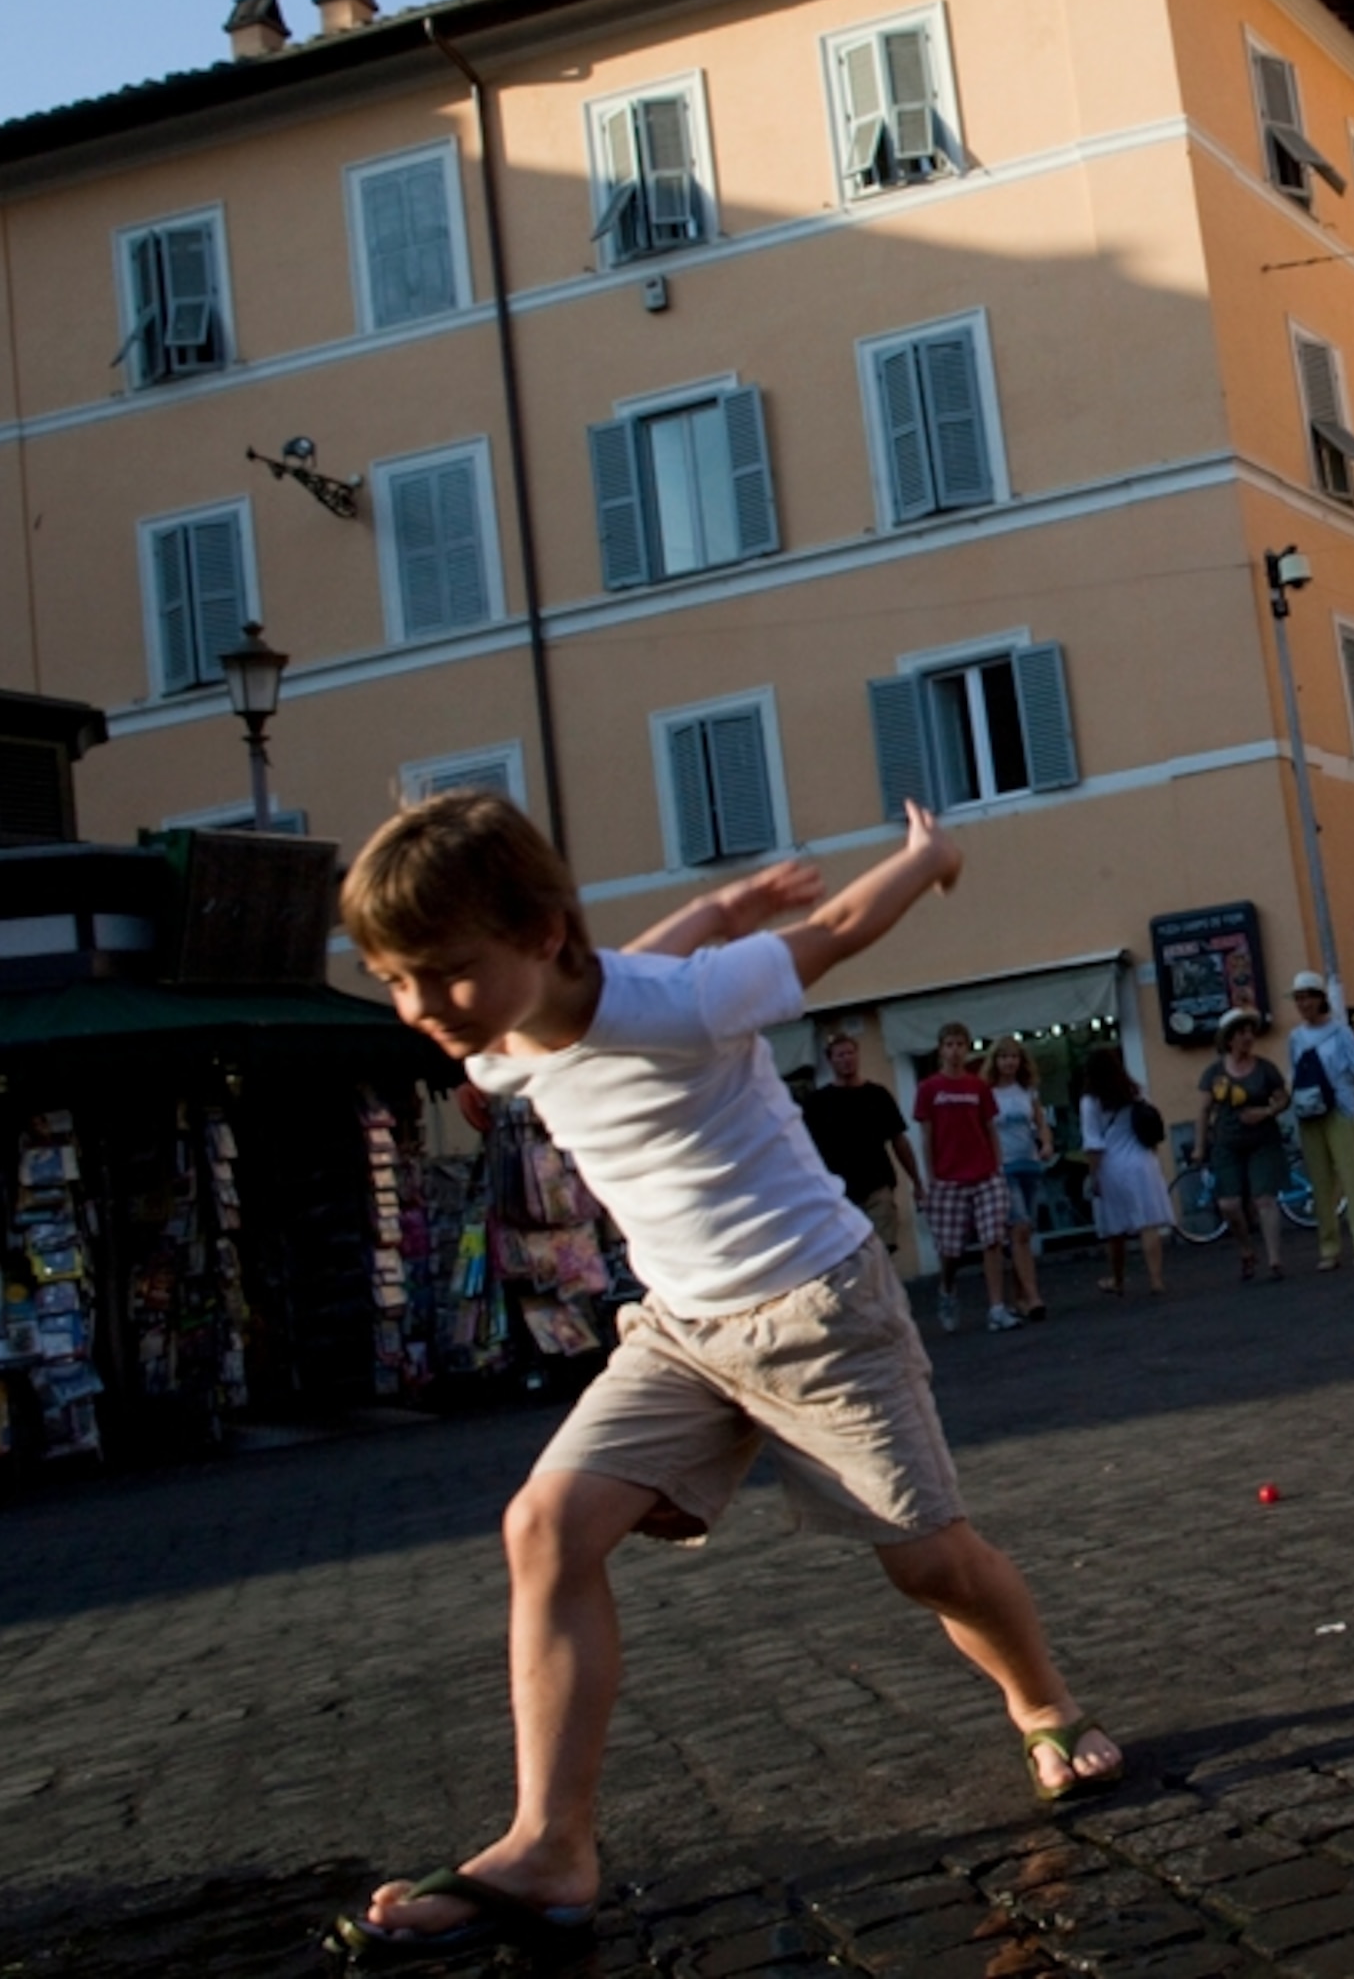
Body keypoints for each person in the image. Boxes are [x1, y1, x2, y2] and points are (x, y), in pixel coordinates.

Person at [330, 793, 1121, 1967]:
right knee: (543, 1527)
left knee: (928, 1562)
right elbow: (622, 957)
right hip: (679, 1333)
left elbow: (844, 927)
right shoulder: (503, 1039)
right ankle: (550, 1845)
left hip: (820, 1311)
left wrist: (928, 856)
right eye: (399, 979)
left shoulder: (695, 1001)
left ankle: (1044, 1701)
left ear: (540, 933)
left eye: (444, 973)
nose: (422, 1007)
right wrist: (723, 899)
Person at [915, 1021, 1025, 1334]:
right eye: (949, 1045)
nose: (954, 1051)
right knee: (951, 1250)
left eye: (960, 1045)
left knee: (993, 1239)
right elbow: (927, 1134)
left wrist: (998, 1167)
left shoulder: (977, 1087)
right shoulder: (929, 1089)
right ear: (941, 1049)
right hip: (948, 1177)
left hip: (985, 1173)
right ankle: (947, 1290)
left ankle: (997, 1308)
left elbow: (990, 1128)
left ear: (968, 1048)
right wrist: (931, 1176)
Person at [1284, 970, 1354, 1271]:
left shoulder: (1341, 1033)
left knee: (1351, 1176)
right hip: (1308, 1113)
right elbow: (1293, 1074)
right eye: (1298, 998)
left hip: (1341, 1109)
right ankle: (1328, 1246)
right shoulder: (1295, 1038)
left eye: (1307, 997)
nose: (1302, 1003)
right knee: (1320, 1183)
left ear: (1320, 1000)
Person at [801, 1031, 914, 1262]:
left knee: (883, 1253)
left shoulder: (877, 1095)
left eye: (850, 1053)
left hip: (877, 1185)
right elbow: (806, 1151)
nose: (846, 1059)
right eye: (840, 1055)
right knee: (853, 1258)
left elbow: (899, 1140)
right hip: (840, 1193)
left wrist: (917, 1180)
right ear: (831, 1060)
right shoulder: (817, 1103)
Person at [1200, 1007, 1290, 1281]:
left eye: (1250, 1031)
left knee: (1264, 1198)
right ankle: (1246, 1248)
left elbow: (1283, 1098)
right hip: (1227, 1143)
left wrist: (1265, 1112)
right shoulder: (1214, 1073)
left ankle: (1274, 1260)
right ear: (1229, 1039)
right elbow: (1204, 1110)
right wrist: (1199, 1145)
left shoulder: (1265, 1069)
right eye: (1241, 1033)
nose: (1248, 1037)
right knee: (1228, 1204)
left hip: (1262, 1141)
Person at [1077, 1045, 1171, 1297]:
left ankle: (1118, 1279)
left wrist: (1093, 1175)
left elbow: (1093, 1143)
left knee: (1115, 1230)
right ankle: (1156, 1279)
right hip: (1143, 1162)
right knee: (1148, 1224)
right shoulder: (1135, 1091)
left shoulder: (1090, 1101)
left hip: (1112, 1167)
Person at [982, 1034, 1053, 1323]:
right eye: (1003, 1057)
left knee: (1022, 1234)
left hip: (1029, 1164)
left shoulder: (1027, 1091)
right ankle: (1034, 1295)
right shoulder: (987, 1093)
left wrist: (1046, 1144)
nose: (1009, 1062)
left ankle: (1021, 1296)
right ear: (994, 1061)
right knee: (1019, 1226)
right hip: (1004, 1167)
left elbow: (1040, 1122)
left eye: (1013, 1057)